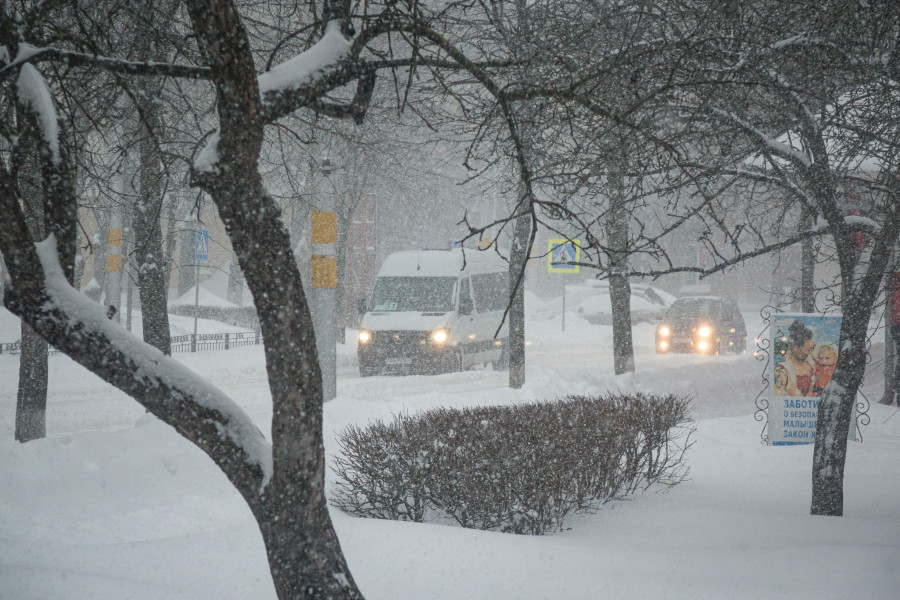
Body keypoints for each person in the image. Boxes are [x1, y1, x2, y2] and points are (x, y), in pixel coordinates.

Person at [775, 319, 815, 397]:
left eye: (812, 348)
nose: (811, 352)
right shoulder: (781, 370)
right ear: (795, 347)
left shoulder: (811, 361)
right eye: (808, 350)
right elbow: (797, 397)